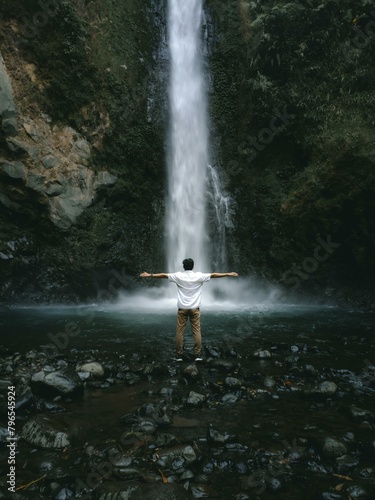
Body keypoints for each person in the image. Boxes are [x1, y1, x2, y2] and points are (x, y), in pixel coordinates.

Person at [140, 258, 238, 362]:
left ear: (183, 266)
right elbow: (213, 275)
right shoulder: (199, 276)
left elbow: (164, 275)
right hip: (195, 308)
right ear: (193, 266)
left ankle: (179, 356)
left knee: (180, 332)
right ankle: (198, 355)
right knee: (196, 331)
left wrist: (149, 275)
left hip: (182, 308)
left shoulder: (178, 276)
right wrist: (228, 274)